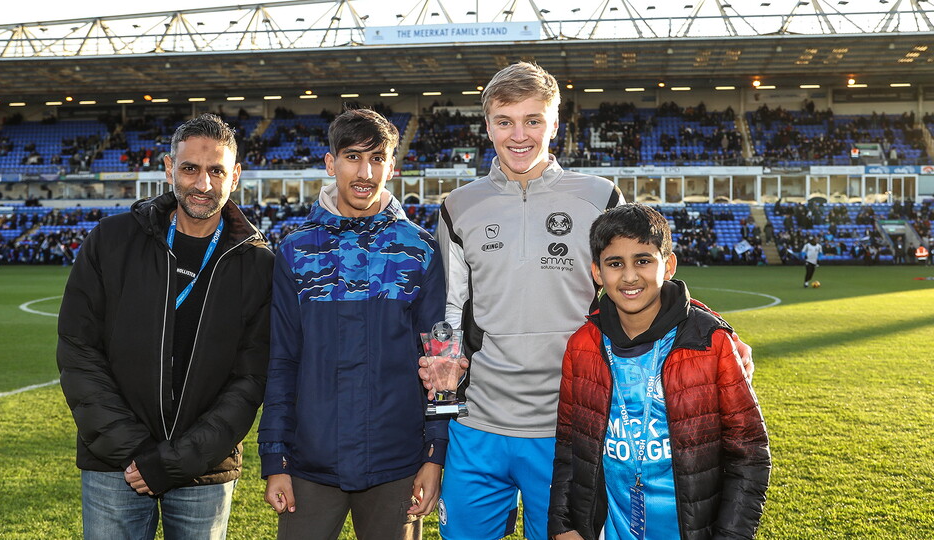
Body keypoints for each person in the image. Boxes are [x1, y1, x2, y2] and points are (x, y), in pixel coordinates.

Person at [429, 62, 753, 540]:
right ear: (488, 126)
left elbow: (639, 282)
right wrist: (441, 406)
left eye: (533, 120)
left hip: (572, 425)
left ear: (555, 124)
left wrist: (718, 331)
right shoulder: (459, 206)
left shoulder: (598, 196)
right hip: (477, 424)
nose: (519, 135)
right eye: (505, 121)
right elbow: (449, 313)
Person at [56, 113, 274, 539]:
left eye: (216, 171)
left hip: (203, 467)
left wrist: (180, 458)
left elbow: (251, 379)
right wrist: (137, 451)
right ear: (169, 168)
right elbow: (77, 350)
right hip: (115, 463)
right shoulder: (111, 239)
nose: (203, 183)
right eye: (190, 168)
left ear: (236, 176)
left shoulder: (258, 264)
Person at [258, 108, 447, 540]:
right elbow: (282, 361)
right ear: (331, 163)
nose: (365, 172)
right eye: (353, 157)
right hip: (309, 463)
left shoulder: (420, 250)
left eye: (377, 158)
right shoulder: (295, 251)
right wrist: (275, 459)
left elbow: (440, 362)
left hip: (397, 463)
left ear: (392, 167)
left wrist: (434, 454)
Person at [548, 204, 771, 540]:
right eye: (615, 264)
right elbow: (569, 445)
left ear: (668, 265)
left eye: (643, 261)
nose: (629, 276)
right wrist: (563, 525)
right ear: (597, 272)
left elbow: (749, 454)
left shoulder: (710, 343)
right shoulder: (582, 345)